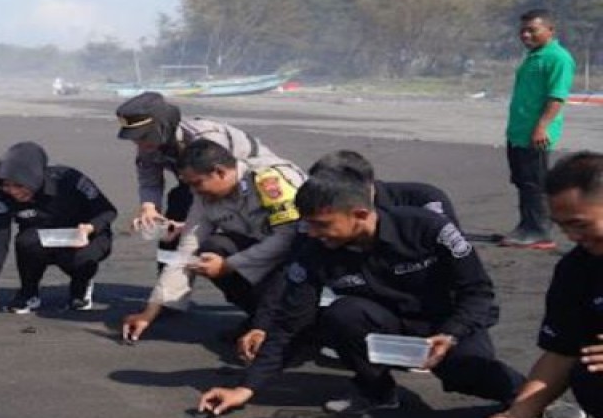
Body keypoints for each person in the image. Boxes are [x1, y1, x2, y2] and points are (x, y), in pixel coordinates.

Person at [199, 168, 526, 416]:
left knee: (468, 372)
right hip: (386, 326)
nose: (311, 233)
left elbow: (479, 293)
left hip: (446, 322)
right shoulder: (317, 249)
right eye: (307, 224)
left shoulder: (427, 228)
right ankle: (377, 392)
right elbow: (290, 322)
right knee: (342, 315)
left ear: (359, 214)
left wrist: (451, 334)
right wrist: (245, 389)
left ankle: (532, 397)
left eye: (321, 224)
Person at [236, 149, 462, 363]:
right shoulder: (321, 216)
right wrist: (261, 325)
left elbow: (454, 268)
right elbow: (292, 269)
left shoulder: (423, 200)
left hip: (427, 299)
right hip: (360, 296)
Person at [471, 153, 603, 418]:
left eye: (579, 224)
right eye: (562, 226)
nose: (571, 236)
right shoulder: (576, 269)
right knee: (589, 372)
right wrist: (516, 416)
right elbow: (560, 353)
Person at [121, 139, 306, 341]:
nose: (194, 191)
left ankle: (283, 324)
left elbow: (288, 238)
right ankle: (260, 319)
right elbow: (187, 250)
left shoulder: (269, 180)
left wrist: (230, 265)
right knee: (211, 250)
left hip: (301, 258)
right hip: (262, 257)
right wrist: (150, 312)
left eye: (197, 183)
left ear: (220, 172)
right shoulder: (204, 196)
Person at [0, 142, 117, 315]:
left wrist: (89, 228)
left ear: (33, 178)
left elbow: (107, 211)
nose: (13, 192)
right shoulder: (4, 198)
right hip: (44, 239)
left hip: (84, 236)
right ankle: (29, 292)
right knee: (25, 241)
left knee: (82, 257)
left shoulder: (70, 180)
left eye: (19, 185)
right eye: (6, 185)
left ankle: (80, 287)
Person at [115, 91, 279, 250]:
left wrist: (192, 224)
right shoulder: (149, 147)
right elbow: (149, 182)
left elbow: (223, 182)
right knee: (173, 213)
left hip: (251, 184)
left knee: (198, 226)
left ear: (163, 126)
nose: (140, 145)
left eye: (144, 137)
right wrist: (149, 208)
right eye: (135, 139)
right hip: (201, 186)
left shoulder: (206, 138)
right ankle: (170, 267)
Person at [501, 8, 576, 250]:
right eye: (523, 30)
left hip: (536, 134)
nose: (525, 35)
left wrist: (541, 127)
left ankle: (539, 232)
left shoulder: (558, 58)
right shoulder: (534, 56)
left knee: (535, 182)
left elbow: (557, 97)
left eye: (532, 30)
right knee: (523, 181)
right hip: (519, 132)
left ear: (550, 30)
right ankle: (526, 226)